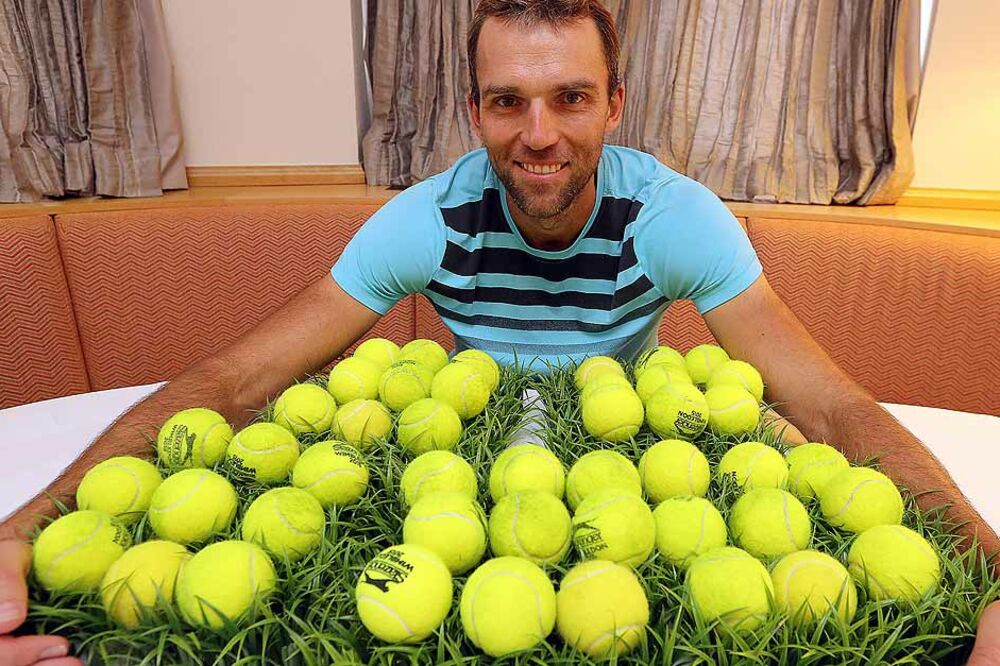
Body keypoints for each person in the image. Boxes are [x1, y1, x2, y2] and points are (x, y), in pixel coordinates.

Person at [1, 0, 998, 663]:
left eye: (569, 97)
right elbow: (230, 382)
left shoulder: (672, 216)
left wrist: (989, 564)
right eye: (508, 101)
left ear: (614, 101)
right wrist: (23, 529)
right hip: (456, 459)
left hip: (634, 464)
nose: (539, 134)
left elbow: (826, 400)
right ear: (473, 109)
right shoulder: (427, 217)